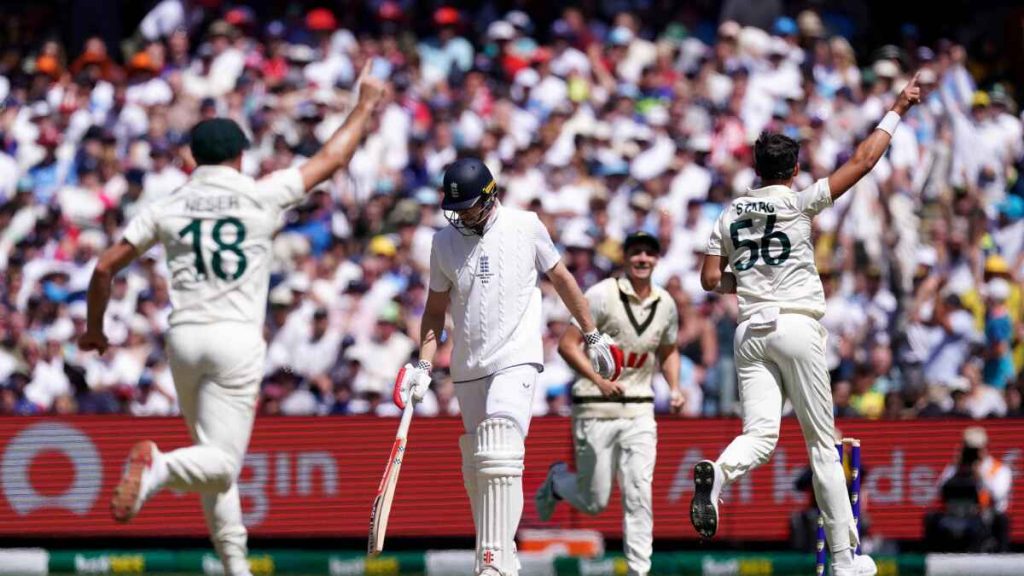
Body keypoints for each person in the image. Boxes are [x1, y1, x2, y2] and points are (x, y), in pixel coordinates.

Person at [77, 63, 388, 576]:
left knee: (211, 457)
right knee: (221, 464)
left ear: (191, 157)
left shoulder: (169, 204)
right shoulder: (259, 193)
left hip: (184, 339)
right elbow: (333, 158)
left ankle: (235, 565)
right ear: (242, 156)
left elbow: (104, 267)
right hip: (236, 340)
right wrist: (366, 104)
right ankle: (159, 468)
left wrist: (94, 329)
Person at [691, 73, 922, 576]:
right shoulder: (798, 202)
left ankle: (720, 473)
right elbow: (864, 161)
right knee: (822, 445)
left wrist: (748, 281)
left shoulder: (729, 212)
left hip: (750, 332)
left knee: (760, 434)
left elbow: (709, 279)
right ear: (794, 169)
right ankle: (843, 558)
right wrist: (898, 108)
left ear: (756, 169)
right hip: (796, 325)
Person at [409, 157, 619, 576]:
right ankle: (501, 555)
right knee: (477, 463)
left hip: (517, 356)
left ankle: (491, 564)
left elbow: (562, 279)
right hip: (468, 365)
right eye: (456, 209)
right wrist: (423, 365)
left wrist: (592, 333)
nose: (462, 216)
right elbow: (434, 311)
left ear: (490, 197)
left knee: (500, 449)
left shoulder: (526, 225)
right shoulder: (443, 242)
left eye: (469, 207)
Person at [534, 230, 684, 576]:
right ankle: (558, 482)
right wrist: (599, 380)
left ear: (657, 258)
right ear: (625, 257)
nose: (643, 259)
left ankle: (638, 570)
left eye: (649, 253)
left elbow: (668, 350)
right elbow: (568, 345)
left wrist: (675, 387)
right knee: (594, 501)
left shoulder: (666, 303)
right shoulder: (602, 294)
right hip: (595, 407)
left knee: (638, 490)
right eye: (636, 252)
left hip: (640, 408)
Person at [926, 426, 1012, 552]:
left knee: (1000, 520)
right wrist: (958, 470)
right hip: (960, 515)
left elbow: (998, 496)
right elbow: (939, 490)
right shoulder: (956, 468)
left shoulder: (999, 469)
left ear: (985, 447)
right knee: (931, 518)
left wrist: (980, 475)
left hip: (987, 518)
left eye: (976, 449)